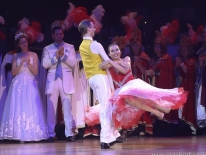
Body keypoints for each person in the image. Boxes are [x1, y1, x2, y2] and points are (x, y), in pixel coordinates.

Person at [85, 43, 188, 134]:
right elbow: (100, 69)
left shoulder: (126, 59)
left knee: (140, 96)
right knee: (124, 99)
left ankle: (160, 108)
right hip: (120, 90)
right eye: (112, 51)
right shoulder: (108, 65)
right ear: (109, 54)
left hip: (131, 84)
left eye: (117, 49)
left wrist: (111, 62)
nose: (115, 52)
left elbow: (125, 71)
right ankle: (157, 111)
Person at [78, 19, 123, 149]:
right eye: (92, 27)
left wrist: (105, 63)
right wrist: (108, 62)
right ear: (88, 29)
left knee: (106, 105)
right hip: (99, 76)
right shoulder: (96, 44)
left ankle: (112, 135)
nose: (95, 29)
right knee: (106, 106)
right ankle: (105, 138)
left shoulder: (81, 46)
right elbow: (107, 60)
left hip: (91, 78)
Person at [0, 30, 48, 142]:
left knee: (30, 106)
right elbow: (13, 73)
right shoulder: (15, 56)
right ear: (18, 44)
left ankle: (32, 134)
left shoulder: (34, 55)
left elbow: (36, 72)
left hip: (30, 83)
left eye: (25, 42)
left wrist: (29, 64)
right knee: (18, 107)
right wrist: (21, 64)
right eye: (22, 42)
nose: (24, 44)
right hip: (17, 84)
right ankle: (19, 134)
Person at [42, 20, 76, 142]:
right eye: (57, 34)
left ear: (63, 34)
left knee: (67, 107)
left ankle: (69, 133)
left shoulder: (70, 47)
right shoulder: (47, 48)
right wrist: (56, 57)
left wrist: (63, 56)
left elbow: (73, 63)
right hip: (52, 81)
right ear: (53, 35)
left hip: (66, 79)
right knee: (51, 108)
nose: (59, 36)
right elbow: (45, 65)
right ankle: (51, 134)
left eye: (61, 33)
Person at [175, 35, 197, 135]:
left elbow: (189, 72)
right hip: (181, 85)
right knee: (181, 106)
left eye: (185, 50)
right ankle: (182, 126)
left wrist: (181, 64)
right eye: (182, 50)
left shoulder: (192, 60)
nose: (184, 51)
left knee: (189, 105)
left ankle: (191, 126)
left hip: (189, 84)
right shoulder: (180, 60)